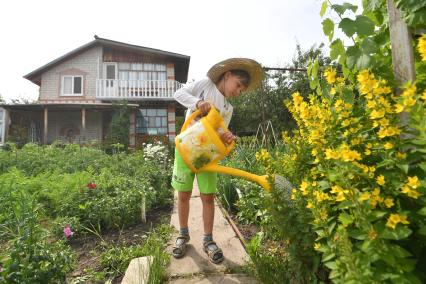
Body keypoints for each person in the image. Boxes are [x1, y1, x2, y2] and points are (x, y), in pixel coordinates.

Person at [171, 58, 264, 264]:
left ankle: (208, 240)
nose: (238, 92)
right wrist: (197, 103)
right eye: (238, 85)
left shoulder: (228, 109)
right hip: (185, 147)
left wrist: (227, 136)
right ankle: (183, 235)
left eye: (242, 90)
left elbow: (220, 132)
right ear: (227, 75)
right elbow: (178, 93)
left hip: (206, 155)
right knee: (184, 194)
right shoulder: (205, 85)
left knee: (207, 197)